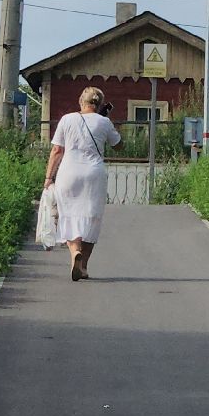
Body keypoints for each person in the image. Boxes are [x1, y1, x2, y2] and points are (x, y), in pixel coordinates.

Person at [45, 86, 122, 280]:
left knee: (68, 215)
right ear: (100, 104)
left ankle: (74, 254)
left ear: (81, 101)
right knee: (91, 217)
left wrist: (48, 178)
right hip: (93, 174)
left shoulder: (67, 119)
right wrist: (108, 125)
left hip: (68, 173)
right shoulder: (104, 122)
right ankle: (84, 265)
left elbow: (56, 151)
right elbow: (118, 145)